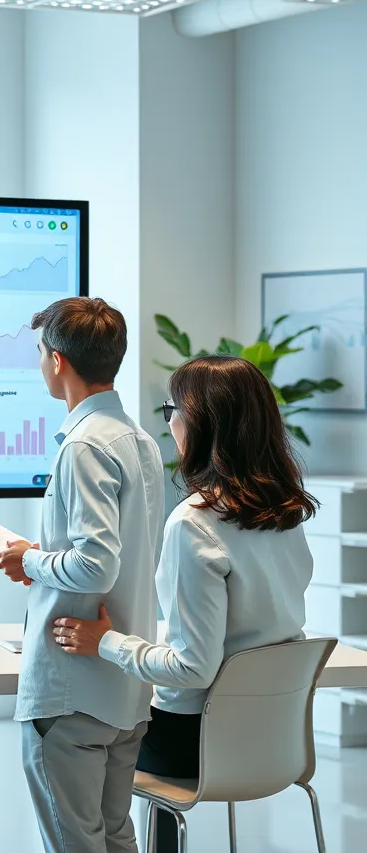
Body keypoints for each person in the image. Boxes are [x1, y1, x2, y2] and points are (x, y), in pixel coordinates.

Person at [53, 354, 316, 852]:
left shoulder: (195, 524)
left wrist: (105, 641)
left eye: (171, 410)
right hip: (274, 741)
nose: (168, 423)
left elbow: (192, 669)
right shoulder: (286, 513)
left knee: (71, 736)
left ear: (200, 423)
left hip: (194, 745)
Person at [0, 297, 165, 853]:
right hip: (123, 690)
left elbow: (95, 563)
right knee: (115, 837)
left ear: (58, 360)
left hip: (72, 694)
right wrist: (45, 557)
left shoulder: (85, 445)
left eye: (39, 352)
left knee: (77, 844)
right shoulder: (140, 441)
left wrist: (30, 561)